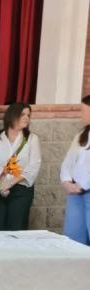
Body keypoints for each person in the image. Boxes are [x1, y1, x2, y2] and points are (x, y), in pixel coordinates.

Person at [0, 102, 41, 231]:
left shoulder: (32, 139)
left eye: (28, 115)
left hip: (21, 190)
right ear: (12, 115)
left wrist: (12, 182)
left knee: (17, 228)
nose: (27, 118)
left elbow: (34, 164)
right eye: (23, 114)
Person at [60, 94, 90, 245]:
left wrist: (82, 184)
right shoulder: (81, 134)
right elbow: (68, 160)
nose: (82, 114)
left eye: (84, 110)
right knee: (73, 238)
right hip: (75, 193)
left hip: (85, 190)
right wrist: (66, 181)